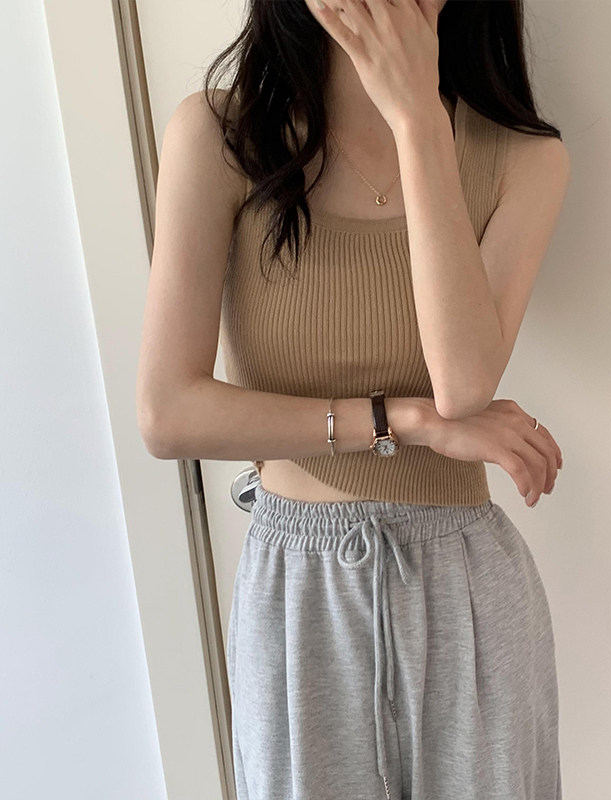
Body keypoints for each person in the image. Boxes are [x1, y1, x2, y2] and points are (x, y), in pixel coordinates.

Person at [137, 0, 571, 797]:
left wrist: (418, 120)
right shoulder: (221, 136)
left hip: (466, 589)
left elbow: (464, 383)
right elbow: (169, 414)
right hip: (298, 591)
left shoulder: (522, 158)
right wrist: (399, 421)